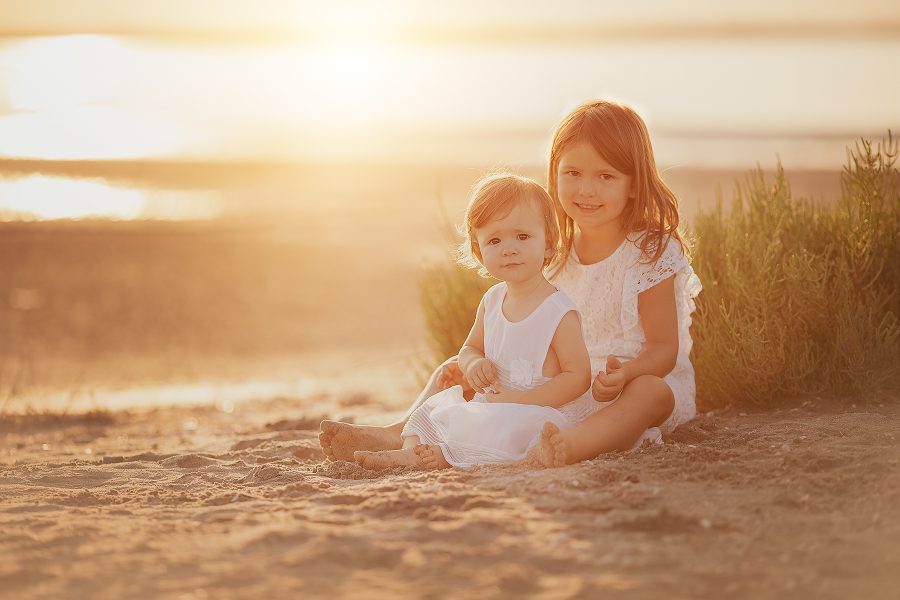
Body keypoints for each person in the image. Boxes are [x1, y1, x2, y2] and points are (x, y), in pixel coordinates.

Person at [320, 99, 701, 467]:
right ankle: (402, 431)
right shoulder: (550, 249)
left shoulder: (649, 252)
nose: (586, 190)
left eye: (605, 176)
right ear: (554, 174)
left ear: (634, 183)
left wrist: (626, 373)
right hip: (557, 379)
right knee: (457, 368)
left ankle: (572, 445)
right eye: (573, 174)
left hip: (625, 381)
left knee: (650, 393)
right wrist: (485, 365)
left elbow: (664, 349)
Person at [353, 172, 592, 470]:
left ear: (548, 244)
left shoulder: (558, 311)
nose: (508, 248)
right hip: (489, 406)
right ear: (480, 252)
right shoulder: (493, 300)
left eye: (522, 236)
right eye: (494, 239)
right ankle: (410, 450)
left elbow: (578, 376)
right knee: (435, 408)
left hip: (532, 411)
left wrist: (523, 400)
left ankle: (439, 457)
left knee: (502, 434)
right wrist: (474, 364)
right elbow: (469, 349)